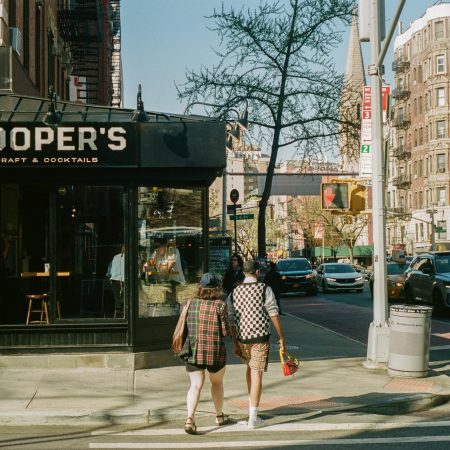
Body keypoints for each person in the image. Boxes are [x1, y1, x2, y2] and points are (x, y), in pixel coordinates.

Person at [227, 259, 286, 429]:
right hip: (260, 336)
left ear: (243, 272)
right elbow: (273, 312)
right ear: (257, 272)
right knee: (257, 373)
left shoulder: (235, 291)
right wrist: (281, 336)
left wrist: (234, 341)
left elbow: (230, 318)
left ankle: (251, 407)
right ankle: (253, 417)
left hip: (242, 337)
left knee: (249, 369)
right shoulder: (264, 289)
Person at [180, 272, 240, 434]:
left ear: (200, 287)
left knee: (195, 385)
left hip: (193, 350)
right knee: (217, 383)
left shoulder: (188, 303)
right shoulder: (220, 305)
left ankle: (190, 419)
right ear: (216, 288)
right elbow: (225, 332)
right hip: (215, 351)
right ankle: (219, 416)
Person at [107, 243, 125, 317]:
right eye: (123, 247)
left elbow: (110, 269)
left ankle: (119, 311)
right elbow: (111, 268)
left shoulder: (116, 257)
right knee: (119, 298)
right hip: (117, 280)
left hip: (118, 280)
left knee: (119, 298)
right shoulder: (117, 257)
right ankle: (119, 311)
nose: (123, 249)